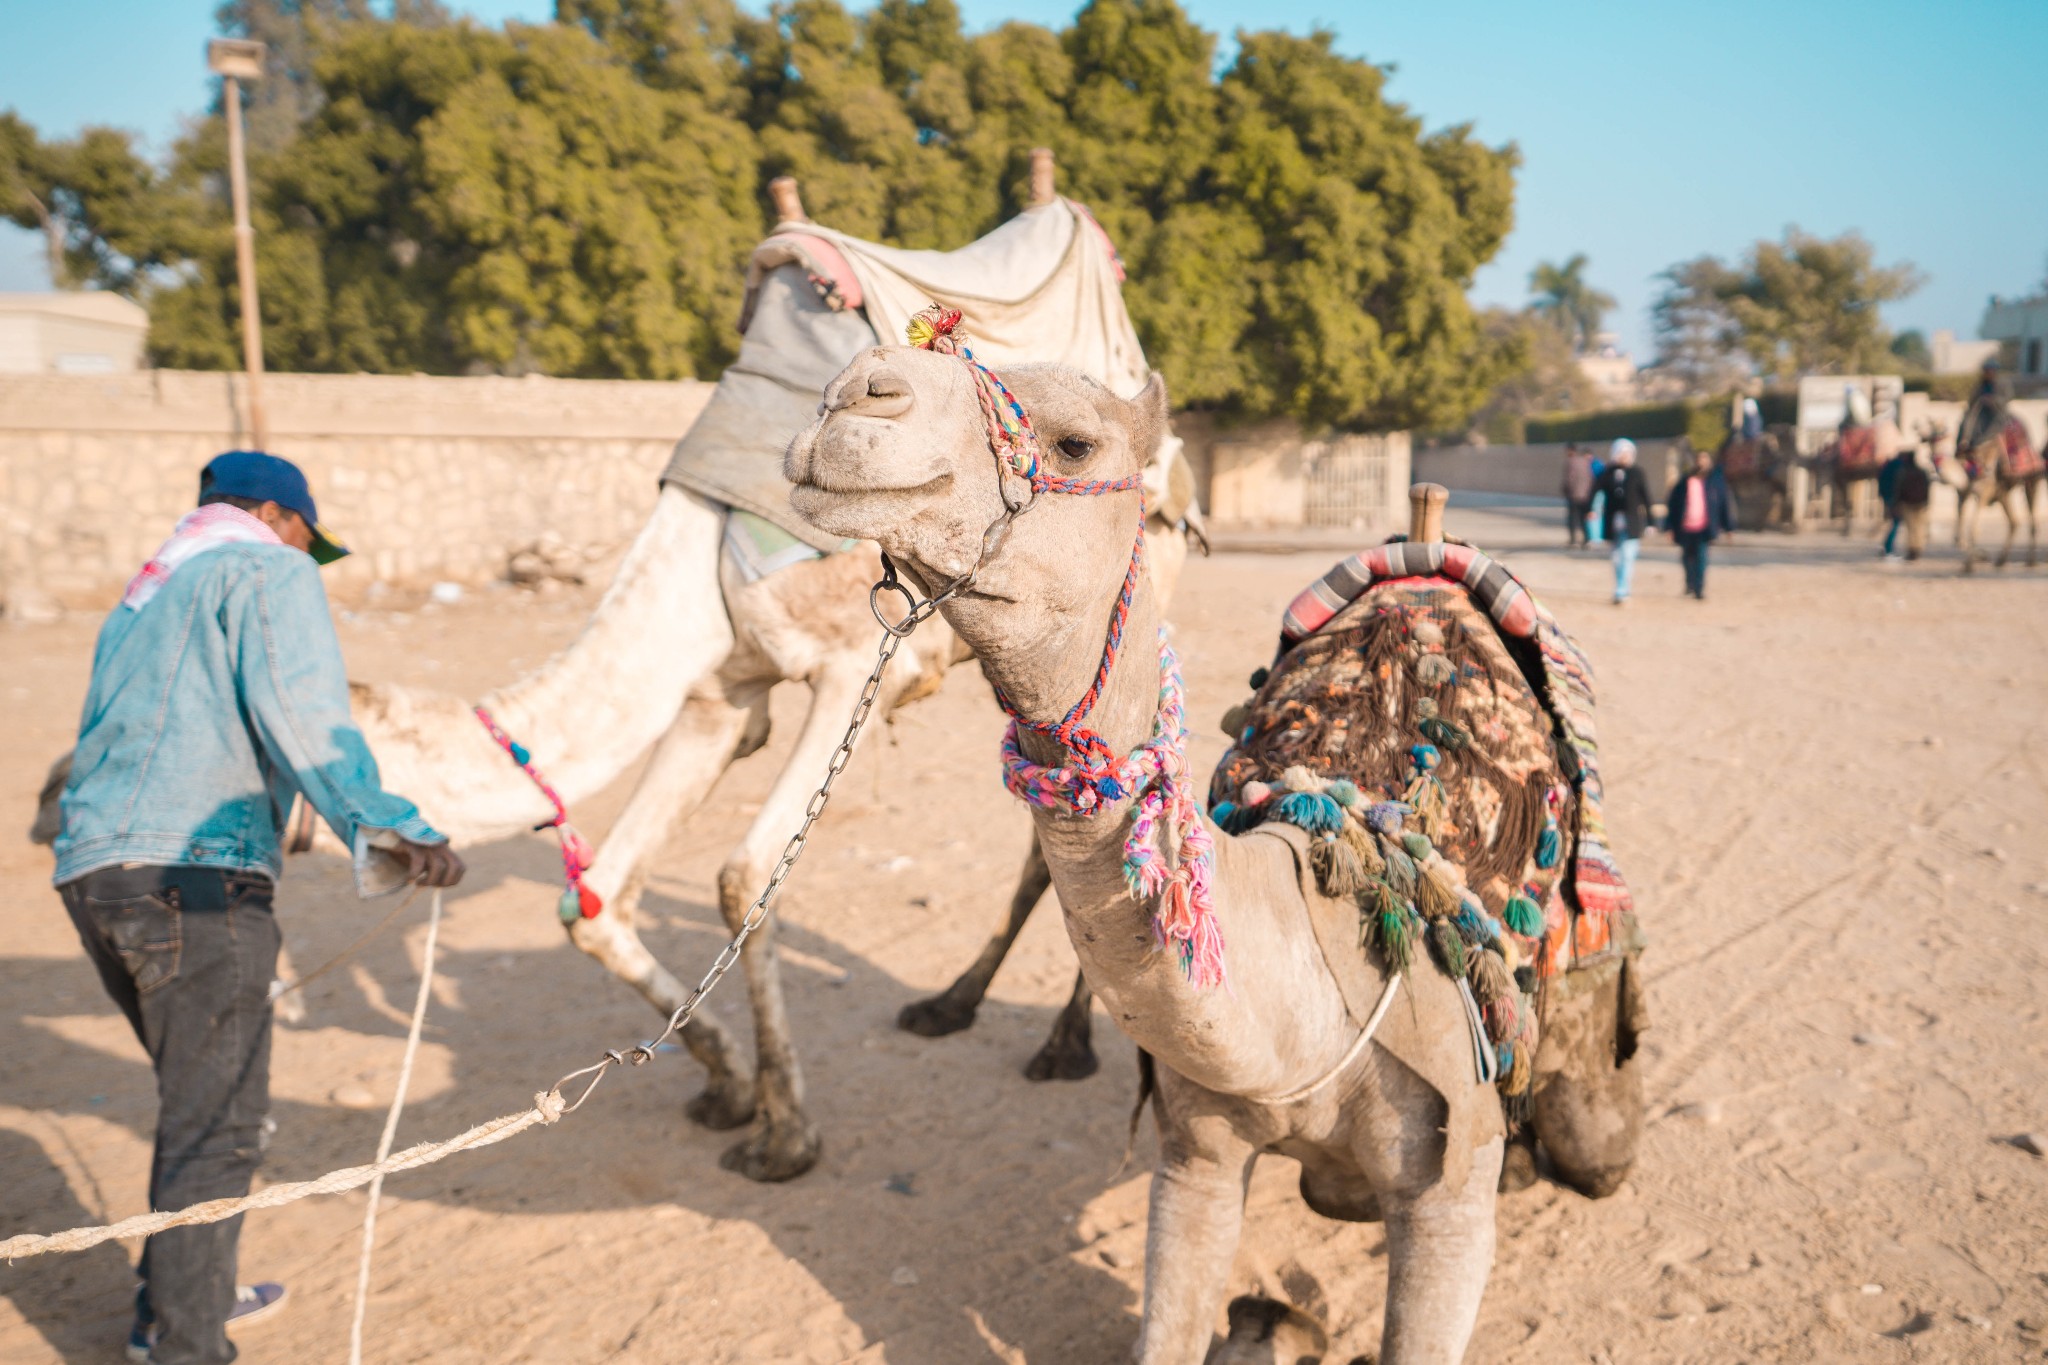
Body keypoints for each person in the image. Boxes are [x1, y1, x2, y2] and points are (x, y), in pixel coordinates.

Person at [51, 451, 465, 1365]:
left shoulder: (147, 591)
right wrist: (398, 829)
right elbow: (301, 709)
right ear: (279, 515)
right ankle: (187, 1347)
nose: (306, 560)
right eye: (307, 541)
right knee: (220, 1125)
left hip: (97, 875)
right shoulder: (264, 566)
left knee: (193, 1104)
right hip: (196, 879)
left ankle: (177, 1304)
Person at [1663, 445, 1737, 599]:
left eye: (1705, 459)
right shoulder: (1684, 482)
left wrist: (1728, 527)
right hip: (1686, 526)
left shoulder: (1715, 482)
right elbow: (1673, 505)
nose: (1702, 462)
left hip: (1705, 526)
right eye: (1699, 459)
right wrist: (1669, 526)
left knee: (1702, 557)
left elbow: (1723, 504)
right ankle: (1689, 583)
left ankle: (1699, 588)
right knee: (1687, 557)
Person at [1597, 437, 1652, 604]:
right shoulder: (1607, 473)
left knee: (1628, 555)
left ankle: (1623, 589)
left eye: (1627, 453)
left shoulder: (1637, 473)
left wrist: (1651, 522)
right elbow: (1596, 490)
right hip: (1614, 522)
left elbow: (1646, 498)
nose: (1624, 457)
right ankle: (1619, 586)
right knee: (1616, 557)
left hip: (1632, 521)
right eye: (1620, 453)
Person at [1892, 445, 1934, 562]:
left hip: (1908, 504)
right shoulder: (1922, 472)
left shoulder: (1903, 472)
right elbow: (1927, 488)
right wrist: (1927, 502)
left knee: (1911, 528)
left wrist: (1897, 503)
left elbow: (1898, 489)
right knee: (1918, 527)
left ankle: (1912, 549)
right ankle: (1917, 548)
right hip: (1920, 503)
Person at [1561, 442, 1596, 548]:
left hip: (1574, 495)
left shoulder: (1570, 462)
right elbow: (1591, 478)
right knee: (1583, 518)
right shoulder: (1585, 462)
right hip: (1585, 495)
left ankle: (1573, 540)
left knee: (1572, 518)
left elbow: (1569, 479)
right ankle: (1587, 539)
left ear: (1570, 451)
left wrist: (1566, 490)